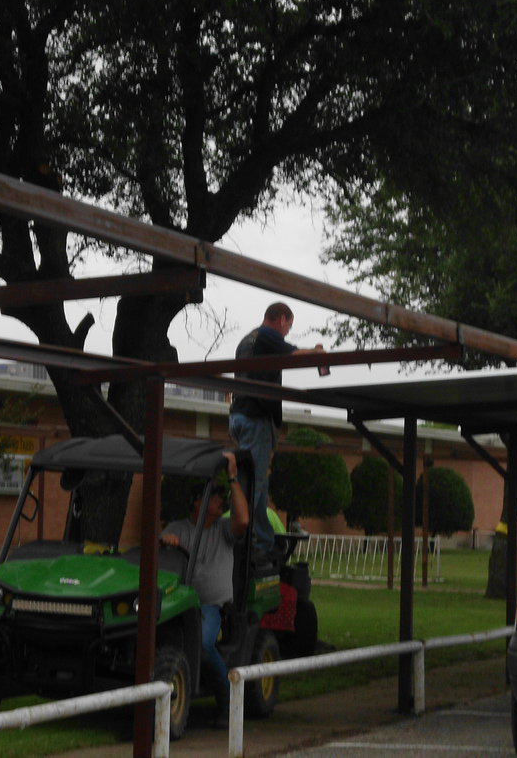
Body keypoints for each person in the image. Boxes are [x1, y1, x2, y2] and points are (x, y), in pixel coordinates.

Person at [228, 302, 324, 557]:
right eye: (289, 326)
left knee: (248, 482)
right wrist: (316, 352)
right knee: (256, 485)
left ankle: (256, 539)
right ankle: (253, 544)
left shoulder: (246, 340)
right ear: (281, 319)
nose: (287, 332)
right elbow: (293, 356)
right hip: (256, 418)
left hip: (238, 415)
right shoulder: (268, 336)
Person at [161, 450, 249, 726]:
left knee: (202, 643)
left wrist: (232, 478)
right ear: (197, 502)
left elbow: (243, 520)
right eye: (214, 496)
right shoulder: (178, 528)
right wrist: (166, 541)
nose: (220, 501)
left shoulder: (224, 529)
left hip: (210, 606)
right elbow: (159, 544)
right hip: (178, 604)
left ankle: (229, 701)